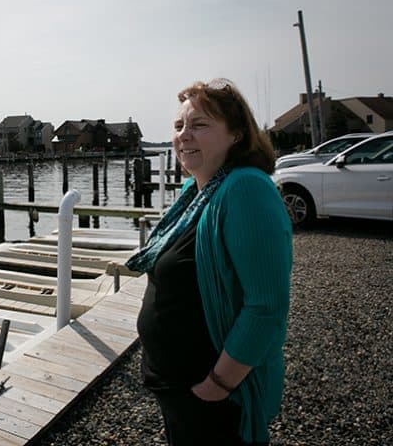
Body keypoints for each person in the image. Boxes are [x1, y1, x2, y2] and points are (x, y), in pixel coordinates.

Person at [125, 78, 292, 445]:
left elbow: (266, 307)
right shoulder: (195, 191)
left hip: (214, 394)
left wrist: (217, 384)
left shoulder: (246, 189)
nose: (184, 135)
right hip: (177, 386)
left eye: (199, 125)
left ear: (236, 134)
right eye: (179, 126)